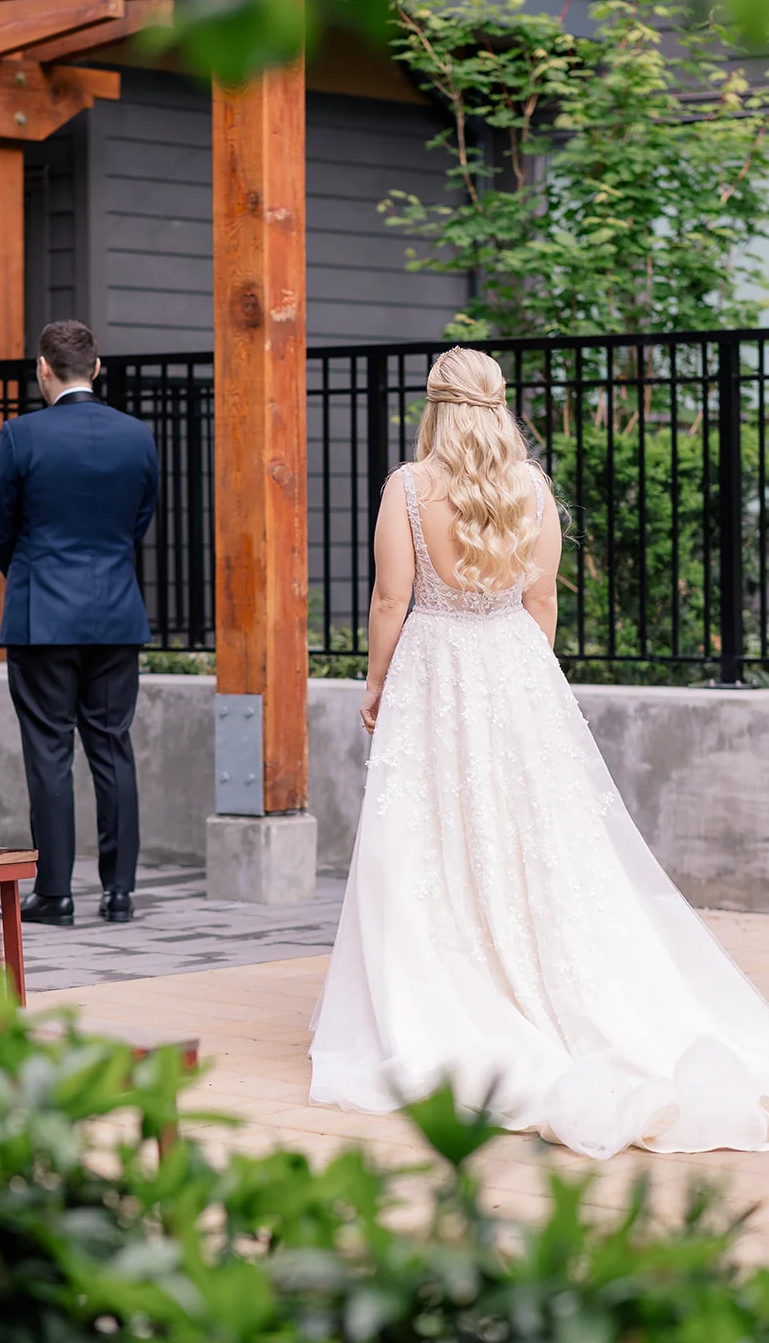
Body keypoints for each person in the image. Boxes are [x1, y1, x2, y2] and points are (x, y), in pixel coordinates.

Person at [309, 345, 769, 1158]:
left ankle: (451, 986)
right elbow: (541, 596)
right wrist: (526, 676)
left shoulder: (408, 489)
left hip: (434, 671)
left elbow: (390, 598)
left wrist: (375, 683)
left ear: (434, 406)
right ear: (497, 402)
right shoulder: (530, 487)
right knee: (536, 839)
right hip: (513, 663)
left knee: (431, 838)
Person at [0, 319, 159, 927]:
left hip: (41, 617)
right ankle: (120, 892)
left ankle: (55, 894)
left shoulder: (20, 435)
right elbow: (138, 521)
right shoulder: (137, 437)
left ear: (43, 369)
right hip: (115, 611)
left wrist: (27, 570)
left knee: (48, 752)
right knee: (113, 748)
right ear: (97, 367)